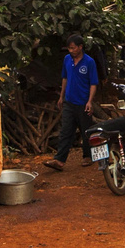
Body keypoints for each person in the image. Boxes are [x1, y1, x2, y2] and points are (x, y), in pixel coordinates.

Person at [45, 34, 100, 172]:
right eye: (69, 48)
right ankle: (59, 160)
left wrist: (89, 102)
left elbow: (93, 83)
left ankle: (88, 156)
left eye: (73, 48)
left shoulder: (89, 62)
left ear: (80, 47)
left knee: (85, 131)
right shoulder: (67, 60)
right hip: (69, 102)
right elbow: (65, 78)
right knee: (65, 131)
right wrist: (61, 96)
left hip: (83, 102)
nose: (71, 51)